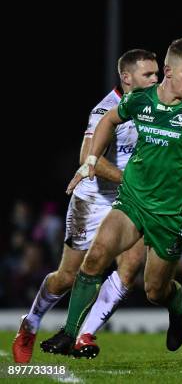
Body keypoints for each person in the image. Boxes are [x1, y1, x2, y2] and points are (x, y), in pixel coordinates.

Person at [40, 38, 182, 356]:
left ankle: (177, 307)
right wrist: (92, 160)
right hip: (132, 200)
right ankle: (69, 332)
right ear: (168, 71)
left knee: (155, 290)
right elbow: (108, 120)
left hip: (171, 213)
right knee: (94, 259)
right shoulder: (141, 100)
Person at [12, 49, 158, 363]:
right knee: (67, 276)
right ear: (127, 77)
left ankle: (82, 334)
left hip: (130, 202)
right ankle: (32, 321)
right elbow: (88, 160)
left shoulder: (155, 107)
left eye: (157, 74)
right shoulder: (105, 109)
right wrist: (131, 180)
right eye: (148, 75)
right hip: (93, 200)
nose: (155, 80)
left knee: (129, 269)